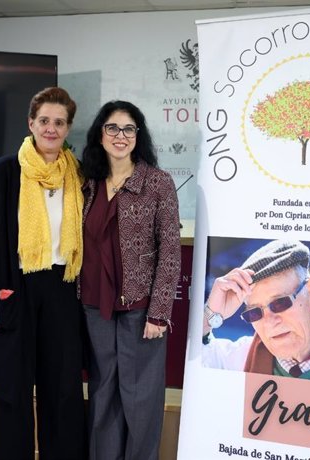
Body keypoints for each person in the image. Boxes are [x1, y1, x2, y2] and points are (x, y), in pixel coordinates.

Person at [0, 86, 85, 460]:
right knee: (12, 387)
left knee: (62, 387)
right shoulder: (6, 171)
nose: (51, 129)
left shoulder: (77, 174)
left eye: (59, 122)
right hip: (14, 287)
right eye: (44, 121)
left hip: (62, 287)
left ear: (68, 127)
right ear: (30, 124)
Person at [79, 100, 181, 460]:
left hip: (140, 309)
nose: (120, 136)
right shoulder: (87, 183)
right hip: (94, 305)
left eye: (128, 129)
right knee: (104, 390)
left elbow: (171, 250)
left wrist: (159, 312)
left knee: (140, 397)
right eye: (112, 128)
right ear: (100, 134)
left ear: (138, 136)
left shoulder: (157, 183)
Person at [202, 239, 310, 381]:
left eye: (280, 303)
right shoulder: (239, 360)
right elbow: (188, 360)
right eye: (254, 313)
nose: (270, 322)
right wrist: (208, 316)